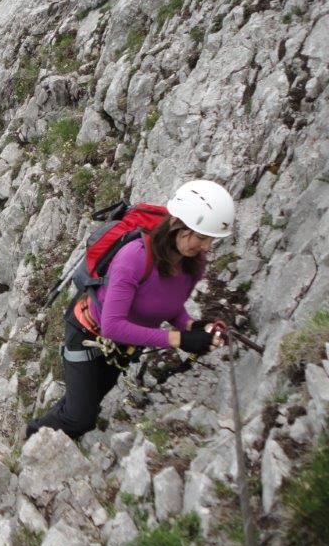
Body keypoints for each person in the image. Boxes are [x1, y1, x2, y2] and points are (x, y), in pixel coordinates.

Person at [26, 180, 235, 439]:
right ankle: (31, 438)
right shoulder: (134, 257)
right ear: (176, 224)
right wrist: (180, 339)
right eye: (202, 237)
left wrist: (194, 327)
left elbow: (167, 306)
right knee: (80, 418)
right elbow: (112, 326)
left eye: (211, 240)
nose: (207, 247)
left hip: (122, 349)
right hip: (88, 334)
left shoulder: (193, 263)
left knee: (83, 406)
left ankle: (49, 439)